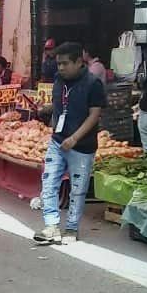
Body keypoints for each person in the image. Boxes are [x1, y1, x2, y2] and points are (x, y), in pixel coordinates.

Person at [33, 42, 105, 246]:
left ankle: (72, 227)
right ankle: (51, 226)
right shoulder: (58, 80)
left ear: (79, 62)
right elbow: (60, 106)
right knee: (49, 183)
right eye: (58, 64)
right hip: (57, 142)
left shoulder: (93, 83)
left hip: (82, 147)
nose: (61, 68)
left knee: (78, 189)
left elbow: (95, 115)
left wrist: (75, 138)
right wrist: (48, 111)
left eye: (65, 64)